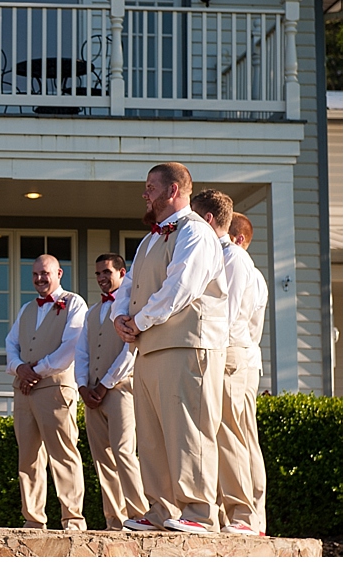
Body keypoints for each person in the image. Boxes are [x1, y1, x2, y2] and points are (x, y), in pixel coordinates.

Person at [114, 162, 228, 534]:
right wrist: (119, 316)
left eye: (151, 186)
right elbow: (129, 284)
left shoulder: (196, 232)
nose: (145, 193)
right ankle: (161, 509)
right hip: (148, 348)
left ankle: (199, 511)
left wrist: (139, 321)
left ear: (174, 190)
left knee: (188, 430)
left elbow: (182, 288)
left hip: (187, 343)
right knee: (152, 435)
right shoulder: (149, 240)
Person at [191, 191, 260, 536]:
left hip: (226, 350)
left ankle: (244, 517)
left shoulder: (232, 257)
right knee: (216, 433)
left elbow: (228, 313)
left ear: (206, 220)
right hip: (216, 348)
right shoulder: (216, 254)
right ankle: (222, 514)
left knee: (231, 434)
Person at [4, 254, 87, 530]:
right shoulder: (27, 308)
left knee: (63, 454)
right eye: (36, 274)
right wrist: (19, 369)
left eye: (45, 273)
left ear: (59, 273)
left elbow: (71, 346)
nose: (40, 278)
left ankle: (73, 519)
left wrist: (35, 371)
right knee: (27, 458)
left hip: (55, 389)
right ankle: (33, 519)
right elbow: (10, 343)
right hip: (24, 391)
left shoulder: (74, 303)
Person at [75, 253, 147, 531]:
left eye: (107, 272)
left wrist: (105, 384)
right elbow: (82, 351)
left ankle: (139, 514)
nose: (102, 278)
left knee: (124, 452)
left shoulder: (129, 307)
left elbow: (131, 351)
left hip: (120, 391)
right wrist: (83, 385)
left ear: (121, 273)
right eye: (98, 274)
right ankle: (114, 521)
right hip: (92, 393)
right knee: (102, 458)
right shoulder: (92, 312)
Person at [228, 211, 268, 535]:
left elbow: (233, 320)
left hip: (238, 358)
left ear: (239, 239)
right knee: (236, 437)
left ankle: (251, 518)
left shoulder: (242, 267)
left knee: (240, 437)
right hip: (239, 356)